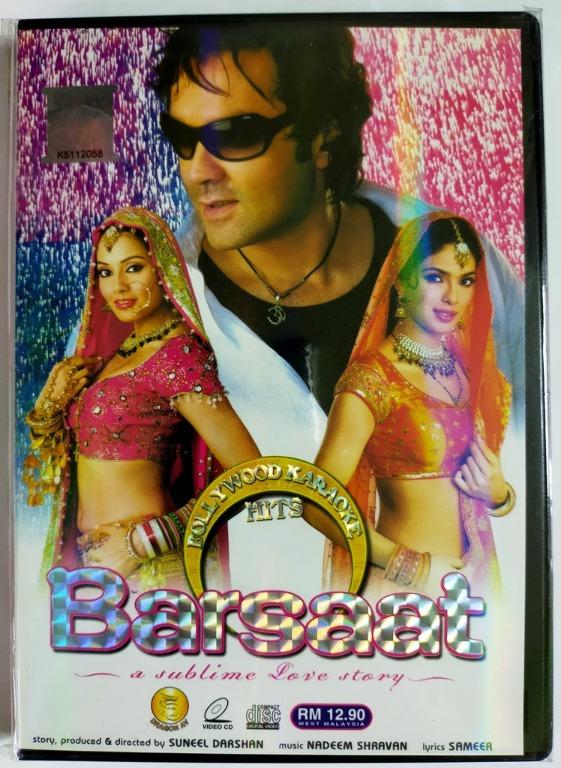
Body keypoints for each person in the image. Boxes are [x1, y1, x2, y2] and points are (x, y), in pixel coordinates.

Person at [145, 23, 523, 587]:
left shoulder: (466, 265)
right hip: (246, 631)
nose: (198, 171)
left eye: (236, 135)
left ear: (323, 136)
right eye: (182, 137)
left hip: (446, 619)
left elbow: (531, 465)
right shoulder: (153, 306)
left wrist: (500, 501)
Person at [24, 207, 258, 590]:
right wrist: (51, 403)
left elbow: (251, 475)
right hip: (95, 565)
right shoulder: (118, 354)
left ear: (163, 269)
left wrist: (143, 542)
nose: (118, 286)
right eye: (105, 272)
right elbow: (67, 461)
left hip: (152, 571)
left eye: (133, 268)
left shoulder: (178, 355)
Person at [310, 212, 514, 597]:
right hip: (403, 593)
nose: (452, 296)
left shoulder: (472, 372)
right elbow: (317, 502)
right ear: (402, 280)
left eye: (465, 280)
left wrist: (500, 495)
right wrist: (411, 568)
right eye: (436, 277)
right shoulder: (373, 380)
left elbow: (484, 487)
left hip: (477, 585)